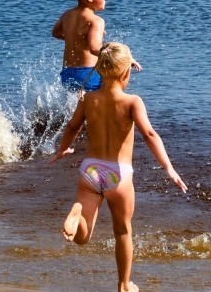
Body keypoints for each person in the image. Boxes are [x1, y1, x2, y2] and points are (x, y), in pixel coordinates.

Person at [49, 42, 187, 292]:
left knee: (82, 238)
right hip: (118, 175)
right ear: (126, 73)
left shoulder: (89, 99)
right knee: (122, 231)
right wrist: (168, 168)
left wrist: (63, 149)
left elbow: (72, 127)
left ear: (100, 68)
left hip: (89, 171)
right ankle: (124, 285)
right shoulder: (132, 102)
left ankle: (77, 212)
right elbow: (150, 134)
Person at [52, 0, 141, 94]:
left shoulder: (67, 15)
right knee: (103, 98)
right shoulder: (96, 20)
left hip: (67, 72)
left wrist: (77, 38)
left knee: (76, 104)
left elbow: (55, 33)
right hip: (88, 74)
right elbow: (94, 49)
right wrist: (122, 58)